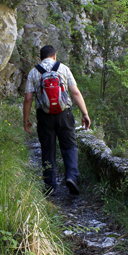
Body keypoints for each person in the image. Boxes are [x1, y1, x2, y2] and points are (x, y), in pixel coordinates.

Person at [23, 45, 91, 195]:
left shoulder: (34, 72)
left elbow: (28, 99)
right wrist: (85, 114)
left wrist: (26, 120)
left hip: (44, 116)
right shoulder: (64, 69)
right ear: (54, 56)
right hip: (64, 114)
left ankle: (50, 186)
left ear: (40, 58)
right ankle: (72, 177)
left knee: (48, 150)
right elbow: (75, 92)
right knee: (70, 147)